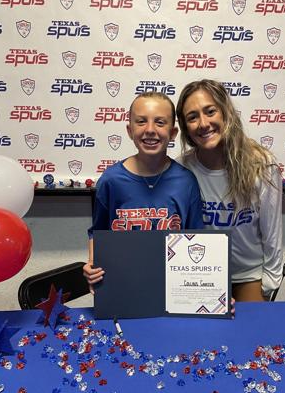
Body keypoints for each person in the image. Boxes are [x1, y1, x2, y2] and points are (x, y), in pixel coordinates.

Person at [83, 92, 203, 292]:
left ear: (173, 133)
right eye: (141, 122)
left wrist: (209, 291)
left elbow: (198, 239)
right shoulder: (111, 180)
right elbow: (98, 232)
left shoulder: (186, 181)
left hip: (174, 288)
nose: (150, 130)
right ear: (130, 131)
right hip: (123, 286)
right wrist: (92, 264)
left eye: (160, 122)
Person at [176, 79, 282, 302]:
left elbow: (272, 232)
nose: (203, 123)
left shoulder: (262, 164)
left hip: (248, 274)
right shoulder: (182, 169)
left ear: (226, 112)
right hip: (200, 274)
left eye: (210, 111)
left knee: (252, 324)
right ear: (185, 128)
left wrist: (270, 283)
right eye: (192, 117)